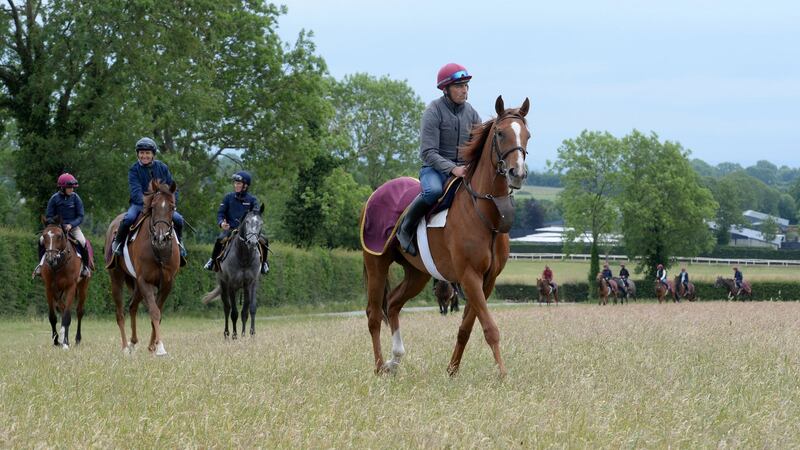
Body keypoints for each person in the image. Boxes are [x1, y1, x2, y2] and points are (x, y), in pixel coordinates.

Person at [396, 63, 482, 256]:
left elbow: (478, 148)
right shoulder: (433, 111)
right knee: (433, 191)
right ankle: (405, 228)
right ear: (446, 89)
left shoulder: (473, 114)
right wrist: (453, 169)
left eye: (466, 86)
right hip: (434, 169)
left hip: (463, 169)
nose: (464, 90)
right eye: (459, 86)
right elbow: (428, 152)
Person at [111, 137, 186, 257]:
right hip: (139, 204)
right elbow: (135, 191)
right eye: (141, 153)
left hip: (162, 206)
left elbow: (172, 188)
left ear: (153, 155)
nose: (144, 156)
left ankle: (180, 243)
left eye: (147, 153)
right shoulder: (134, 170)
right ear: (138, 154)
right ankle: (118, 243)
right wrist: (149, 203)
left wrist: (171, 204)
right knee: (129, 218)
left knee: (178, 219)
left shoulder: (162, 167)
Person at [203, 171, 269, 274]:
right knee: (220, 239)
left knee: (264, 240)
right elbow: (221, 213)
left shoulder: (252, 200)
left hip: (249, 232)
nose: (236, 185)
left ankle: (264, 263)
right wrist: (221, 223)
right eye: (235, 183)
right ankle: (212, 260)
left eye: (238, 183)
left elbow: (256, 215)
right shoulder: (228, 197)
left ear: (245, 186)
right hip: (231, 230)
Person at [32, 173, 91, 278]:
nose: (72, 189)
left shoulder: (76, 198)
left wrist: (71, 225)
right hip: (56, 227)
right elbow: (49, 216)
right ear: (62, 188)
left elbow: (80, 216)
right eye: (69, 187)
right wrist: (57, 224)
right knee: (41, 240)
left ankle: (86, 267)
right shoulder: (54, 199)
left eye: (73, 187)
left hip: (73, 227)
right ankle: (40, 265)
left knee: (82, 241)